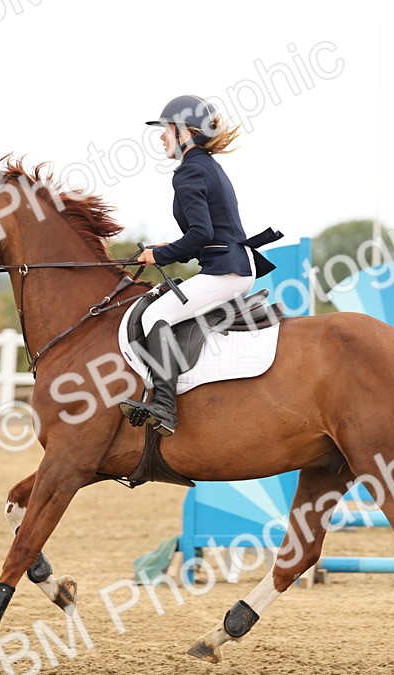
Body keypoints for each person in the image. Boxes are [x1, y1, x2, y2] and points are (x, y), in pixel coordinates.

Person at [119, 95, 277, 437]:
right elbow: (208, 234)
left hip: (227, 270)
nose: (161, 137)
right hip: (233, 264)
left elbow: (201, 233)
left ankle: (163, 408)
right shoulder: (206, 166)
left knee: (154, 317)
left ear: (185, 133)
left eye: (166, 130)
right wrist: (168, 248)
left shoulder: (190, 171)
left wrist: (159, 256)